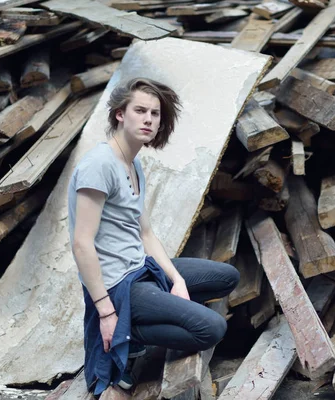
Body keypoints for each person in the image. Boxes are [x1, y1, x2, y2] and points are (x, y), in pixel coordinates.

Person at [67, 77, 240, 396]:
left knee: (226, 277)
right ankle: (126, 330)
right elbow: (81, 243)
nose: (149, 119)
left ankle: (141, 319)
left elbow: (144, 232)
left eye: (155, 113)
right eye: (140, 110)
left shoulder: (132, 164)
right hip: (117, 284)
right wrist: (105, 310)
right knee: (212, 328)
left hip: (142, 269)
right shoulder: (99, 165)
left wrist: (177, 280)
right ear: (121, 114)